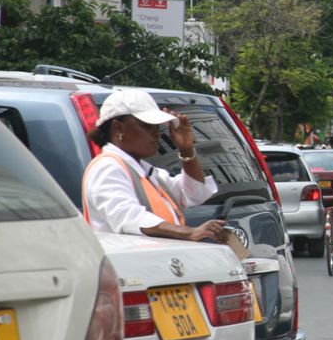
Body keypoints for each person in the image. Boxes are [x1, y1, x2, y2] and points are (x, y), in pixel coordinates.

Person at [82, 89, 226, 241]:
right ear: (118, 128)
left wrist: (186, 150)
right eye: (146, 125)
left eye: (157, 126)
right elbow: (130, 218)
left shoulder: (146, 172)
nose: (156, 133)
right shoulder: (107, 167)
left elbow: (195, 193)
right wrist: (189, 232)